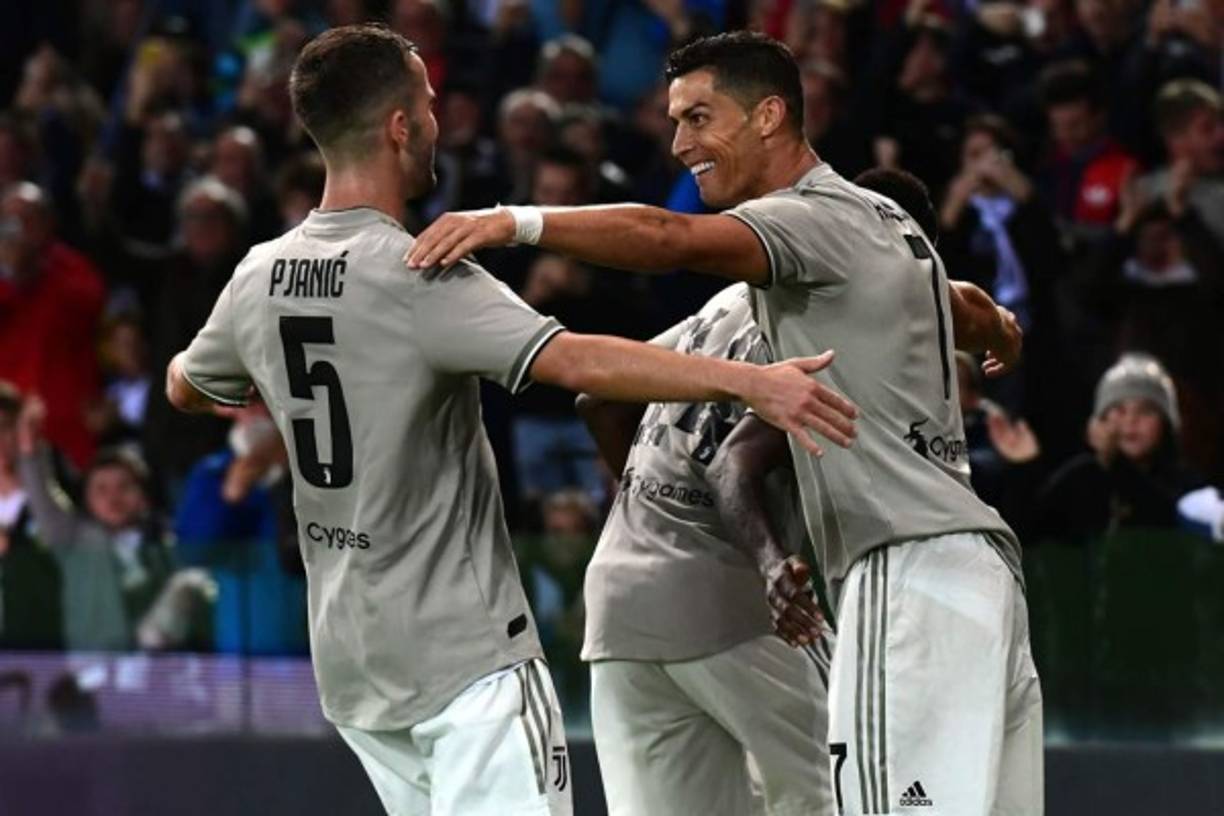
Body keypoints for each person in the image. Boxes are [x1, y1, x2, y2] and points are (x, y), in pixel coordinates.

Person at [164, 24, 856, 816]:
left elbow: (187, 384)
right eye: (424, 105)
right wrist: (749, 382)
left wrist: (262, 382)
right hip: (464, 659)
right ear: (400, 127)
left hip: (354, 662)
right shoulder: (416, 270)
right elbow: (578, 363)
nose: (434, 120)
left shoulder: (259, 274)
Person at [406, 31, 1037, 815]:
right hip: (978, 566)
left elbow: (666, 241)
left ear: (770, 115)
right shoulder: (889, 233)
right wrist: (1002, 331)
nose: (679, 144)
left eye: (699, 118)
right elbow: (967, 307)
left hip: (892, 572)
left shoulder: (806, 224)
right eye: (675, 121)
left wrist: (515, 222)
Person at [577, 282, 836, 816]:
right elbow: (730, 466)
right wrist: (767, 562)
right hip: (735, 599)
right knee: (839, 789)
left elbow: (598, 398)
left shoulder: (725, 303)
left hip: (619, 595)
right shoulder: (834, 317)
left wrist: (657, 493)